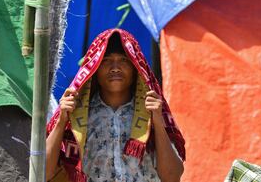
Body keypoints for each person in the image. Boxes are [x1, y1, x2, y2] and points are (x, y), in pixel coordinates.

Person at [46, 29, 185, 182]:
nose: (115, 67)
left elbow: (173, 176)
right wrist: (61, 122)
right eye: (106, 61)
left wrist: (158, 123)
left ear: (135, 69)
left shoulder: (151, 114)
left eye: (123, 60)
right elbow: (44, 172)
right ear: (94, 69)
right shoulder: (76, 116)